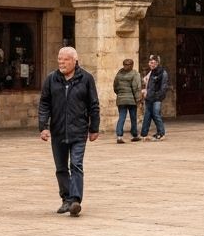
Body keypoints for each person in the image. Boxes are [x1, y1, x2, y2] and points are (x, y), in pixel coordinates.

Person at [38, 47, 100, 217]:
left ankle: (75, 200)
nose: (61, 63)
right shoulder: (51, 79)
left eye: (65, 59)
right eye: (59, 59)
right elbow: (44, 103)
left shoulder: (86, 79)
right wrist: (43, 126)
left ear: (74, 61)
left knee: (76, 164)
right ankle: (66, 198)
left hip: (79, 130)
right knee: (60, 168)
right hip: (58, 130)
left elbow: (93, 104)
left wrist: (94, 128)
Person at [140, 54, 169, 140]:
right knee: (147, 115)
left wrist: (158, 96)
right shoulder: (151, 72)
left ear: (157, 63)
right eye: (150, 62)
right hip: (149, 97)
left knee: (156, 114)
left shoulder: (163, 73)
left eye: (152, 62)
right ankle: (143, 134)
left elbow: (163, 87)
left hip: (156, 98)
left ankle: (161, 133)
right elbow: (148, 84)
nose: (150, 64)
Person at [113, 58, 141, 143]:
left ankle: (119, 136)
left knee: (122, 117)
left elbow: (115, 87)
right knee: (133, 118)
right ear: (132, 65)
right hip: (131, 100)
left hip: (121, 99)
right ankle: (135, 135)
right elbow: (136, 88)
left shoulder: (119, 74)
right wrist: (138, 99)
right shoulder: (134, 74)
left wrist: (120, 94)